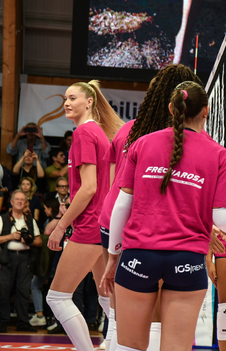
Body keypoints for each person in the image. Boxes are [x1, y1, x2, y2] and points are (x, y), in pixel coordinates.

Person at [100, 81, 226, 351]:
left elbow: (121, 206)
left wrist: (114, 256)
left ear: (171, 108)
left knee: (129, 346)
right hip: (187, 259)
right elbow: (222, 217)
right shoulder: (219, 155)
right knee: (176, 347)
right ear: (206, 111)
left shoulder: (141, 144)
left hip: (138, 254)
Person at [99, 64, 202, 351]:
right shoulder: (178, 138)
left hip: (111, 220)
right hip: (148, 229)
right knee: (155, 316)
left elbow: (113, 183)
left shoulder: (129, 130)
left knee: (122, 317)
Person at [46, 80, 123, 351]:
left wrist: (59, 226)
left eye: (73, 98)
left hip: (90, 225)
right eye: (65, 98)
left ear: (89, 101)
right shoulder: (99, 133)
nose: (67, 102)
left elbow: (88, 188)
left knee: (56, 297)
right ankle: (112, 343)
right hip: (102, 224)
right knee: (106, 293)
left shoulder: (83, 134)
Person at [0, 190, 42, 332]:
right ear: (11, 202)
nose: (19, 202)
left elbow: (39, 241)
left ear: (26, 203)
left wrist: (28, 240)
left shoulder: (30, 220)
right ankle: (2, 323)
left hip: (25, 259)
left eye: (22, 200)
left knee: (24, 291)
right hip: (7, 259)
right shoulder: (2, 218)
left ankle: (23, 323)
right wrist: (10, 236)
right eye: (16, 199)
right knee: (3, 291)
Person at [30, 198, 61, 327]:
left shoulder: (57, 219)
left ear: (50, 208)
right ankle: (50, 318)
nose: (45, 211)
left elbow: (47, 231)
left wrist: (59, 215)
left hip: (53, 261)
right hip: (51, 262)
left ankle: (41, 315)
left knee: (38, 286)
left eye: (45, 209)